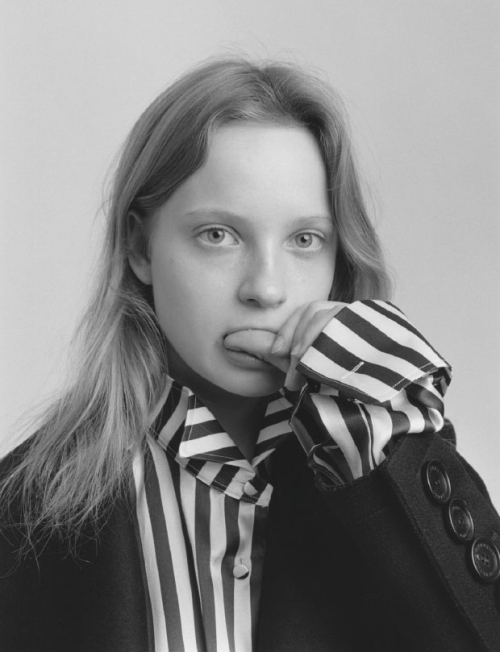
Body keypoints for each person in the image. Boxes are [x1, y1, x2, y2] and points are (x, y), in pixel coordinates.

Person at [0, 58, 499, 652]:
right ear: (140, 247)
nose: (266, 289)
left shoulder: (385, 465)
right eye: (218, 235)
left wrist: (392, 435)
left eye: (304, 240)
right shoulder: (21, 511)